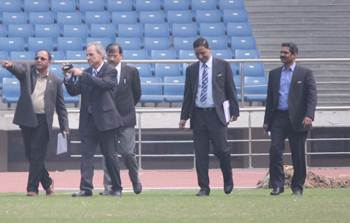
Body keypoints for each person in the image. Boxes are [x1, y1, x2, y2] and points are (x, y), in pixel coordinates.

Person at [1, 50, 69, 196]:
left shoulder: (56, 81)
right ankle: (47, 182)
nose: (38, 60)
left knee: (37, 154)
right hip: (27, 118)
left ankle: (32, 188)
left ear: (49, 61)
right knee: (30, 154)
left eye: (42, 58)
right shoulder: (27, 73)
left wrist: (65, 127)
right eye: (36, 58)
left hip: (44, 121)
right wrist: (10, 66)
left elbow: (61, 106)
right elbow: (19, 70)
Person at [179, 37, 240, 196]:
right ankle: (204, 187)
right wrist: (183, 117)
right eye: (197, 54)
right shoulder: (191, 70)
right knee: (200, 153)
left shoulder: (222, 65)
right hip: (198, 115)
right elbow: (188, 95)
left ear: (209, 50)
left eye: (203, 53)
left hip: (217, 114)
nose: (200, 57)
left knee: (222, 150)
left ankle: (228, 179)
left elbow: (230, 89)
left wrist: (235, 110)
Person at [64, 42, 123, 197]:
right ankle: (86, 188)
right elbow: (74, 92)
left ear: (100, 55)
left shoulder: (109, 70)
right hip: (88, 121)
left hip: (106, 120)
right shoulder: (86, 72)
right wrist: (68, 78)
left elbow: (104, 84)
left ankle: (116, 187)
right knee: (86, 156)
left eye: (91, 54)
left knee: (110, 155)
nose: (88, 57)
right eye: (87, 54)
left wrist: (83, 75)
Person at [263, 42, 317, 196]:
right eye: (281, 52)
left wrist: (309, 115)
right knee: (274, 151)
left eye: (285, 53)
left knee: (298, 154)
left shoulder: (305, 73)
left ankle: (297, 187)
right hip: (278, 118)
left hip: (298, 119)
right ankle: (277, 185)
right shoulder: (274, 74)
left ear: (294, 55)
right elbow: (270, 99)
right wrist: (267, 121)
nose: (282, 55)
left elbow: (312, 97)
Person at [99, 43, 142, 195]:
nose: (111, 58)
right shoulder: (102, 72)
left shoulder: (131, 71)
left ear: (121, 56)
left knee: (127, 152)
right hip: (108, 120)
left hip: (126, 119)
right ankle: (109, 187)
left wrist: (127, 108)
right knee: (108, 154)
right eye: (109, 55)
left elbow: (136, 94)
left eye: (114, 55)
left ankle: (135, 179)